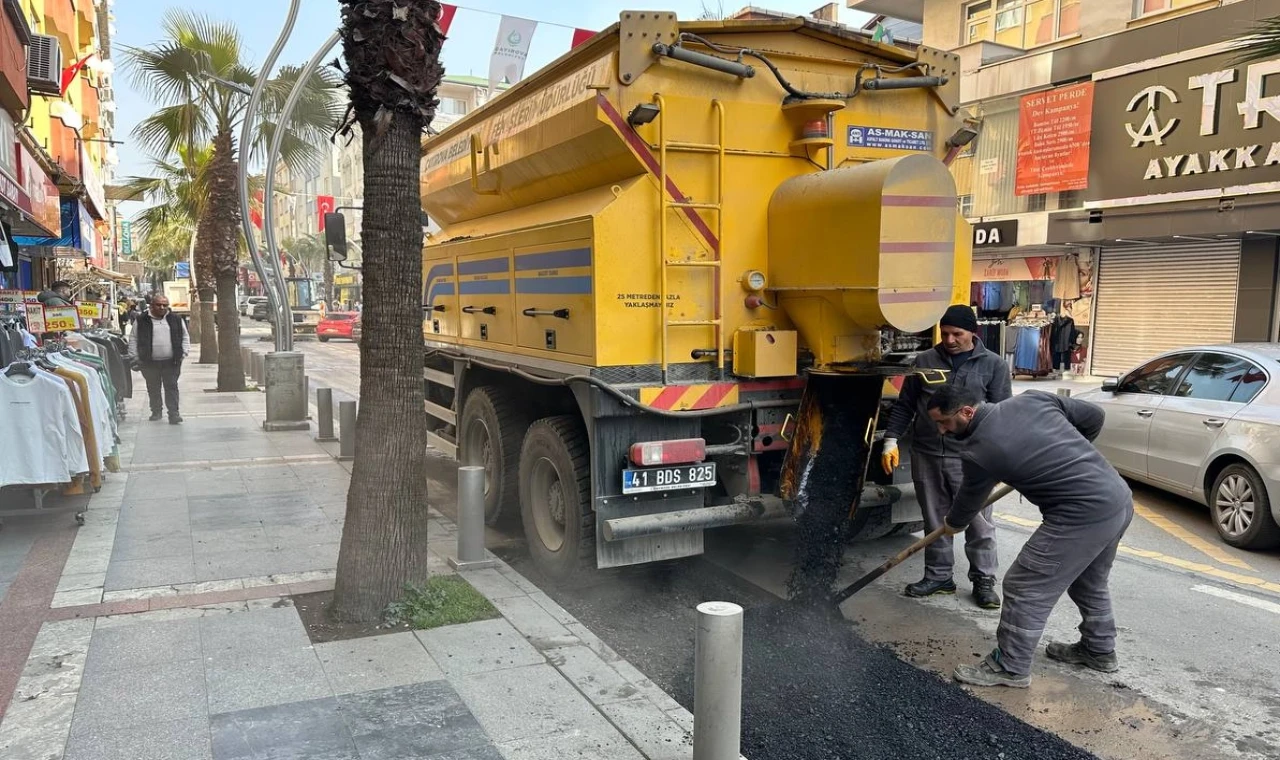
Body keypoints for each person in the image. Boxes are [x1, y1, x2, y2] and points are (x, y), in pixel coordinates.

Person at [927, 385, 1134, 688]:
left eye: (944, 422)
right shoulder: (1034, 399)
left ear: (967, 412)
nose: (942, 431)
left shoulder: (978, 451)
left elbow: (967, 504)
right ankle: (1099, 650)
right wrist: (1066, 452)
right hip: (1117, 498)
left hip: (1080, 514)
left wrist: (952, 525)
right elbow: (1094, 416)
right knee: (1088, 581)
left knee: (1024, 586)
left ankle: (1010, 667)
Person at [881, 304, 1011, 608]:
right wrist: (890, 439)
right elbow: (906, 405)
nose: (949, 340)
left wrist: (999, 459)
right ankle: (939, 576)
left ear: (972, 333)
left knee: (978, 522)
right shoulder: (924, 361)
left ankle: (984, 580)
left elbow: (1003, 414)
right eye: (945, 333)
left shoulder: (993, 365)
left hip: (971, 458)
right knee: (934, 520)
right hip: (927, 453)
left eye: (957, 334)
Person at [128, 295, 190, 424]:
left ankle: (174, 414)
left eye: (165, 305)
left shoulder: (176, 319)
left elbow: (185, 336)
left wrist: (183, 353)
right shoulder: (141, 320)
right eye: (158, 305)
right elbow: (133, 338)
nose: (162, 307)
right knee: (153, 387)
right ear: (151, 305)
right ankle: (156, 411)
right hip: (149, 362)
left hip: (172, 362)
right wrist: (134, 356)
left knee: (172, 387)